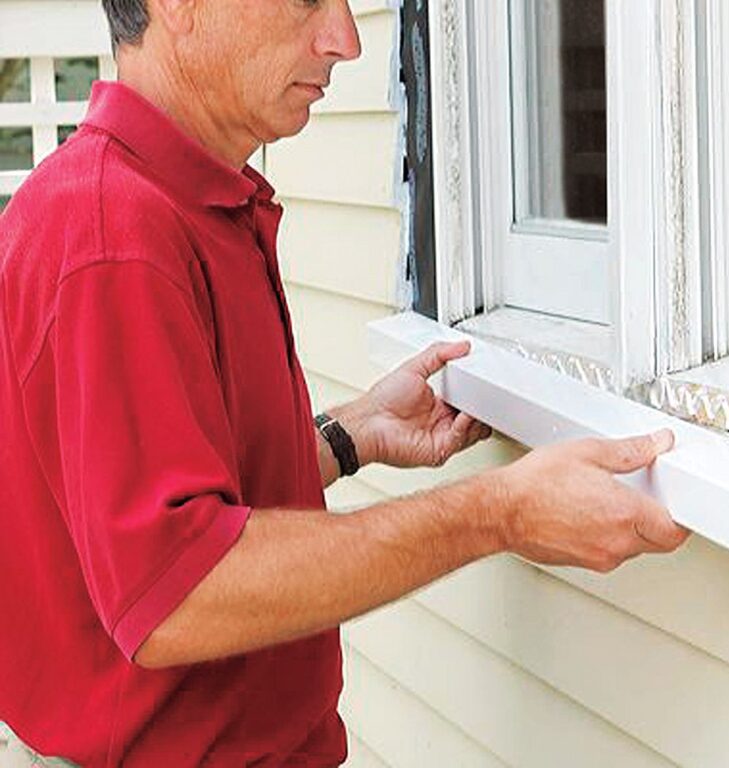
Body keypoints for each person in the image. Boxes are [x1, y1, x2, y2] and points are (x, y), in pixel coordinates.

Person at [0, 0, 689, 764]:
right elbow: (176, 593)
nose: (346, 40)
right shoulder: (112, 236)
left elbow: (144, 495)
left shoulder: (178, 203)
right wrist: (497, 512)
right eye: (307, 1)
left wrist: (345, 437)